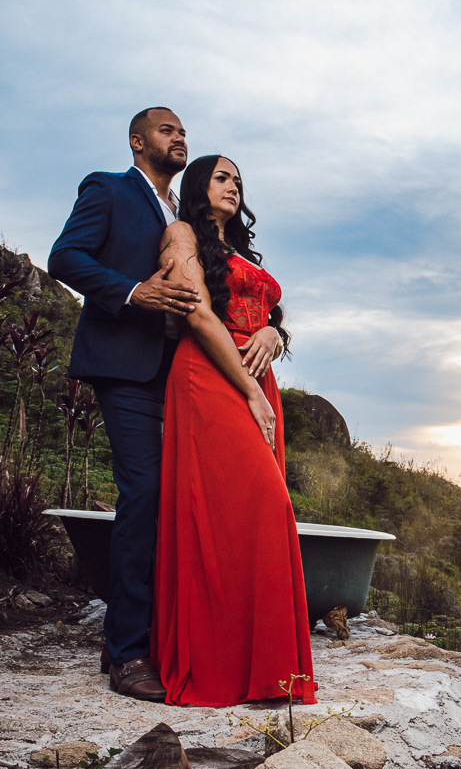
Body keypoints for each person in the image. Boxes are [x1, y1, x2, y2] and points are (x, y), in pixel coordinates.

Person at [150, 155, 317, 707]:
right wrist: (249, 390)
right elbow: (198, 314)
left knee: (251, 512)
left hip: (255, 377)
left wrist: (273, 333)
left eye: (238, 180)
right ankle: (219, 664)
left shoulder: (240, 251)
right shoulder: (181, 235)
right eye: (222, 177)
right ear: (199, 185)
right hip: (210, 375)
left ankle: (266, 669)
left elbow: (266, 314)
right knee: (257, 505)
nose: (233, 186)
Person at [48, 108, 201, 702]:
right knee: (144, 493)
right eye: (167, 130)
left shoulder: (184, 213)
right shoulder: (109, 188)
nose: (179, 137)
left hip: (184, 373)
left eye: (183, 131)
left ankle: (161, 636)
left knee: (180, 497)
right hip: (126, 367)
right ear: (138, 141)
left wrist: (272, 326)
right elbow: (66, 257)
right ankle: (128, 652)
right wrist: (135, 291)